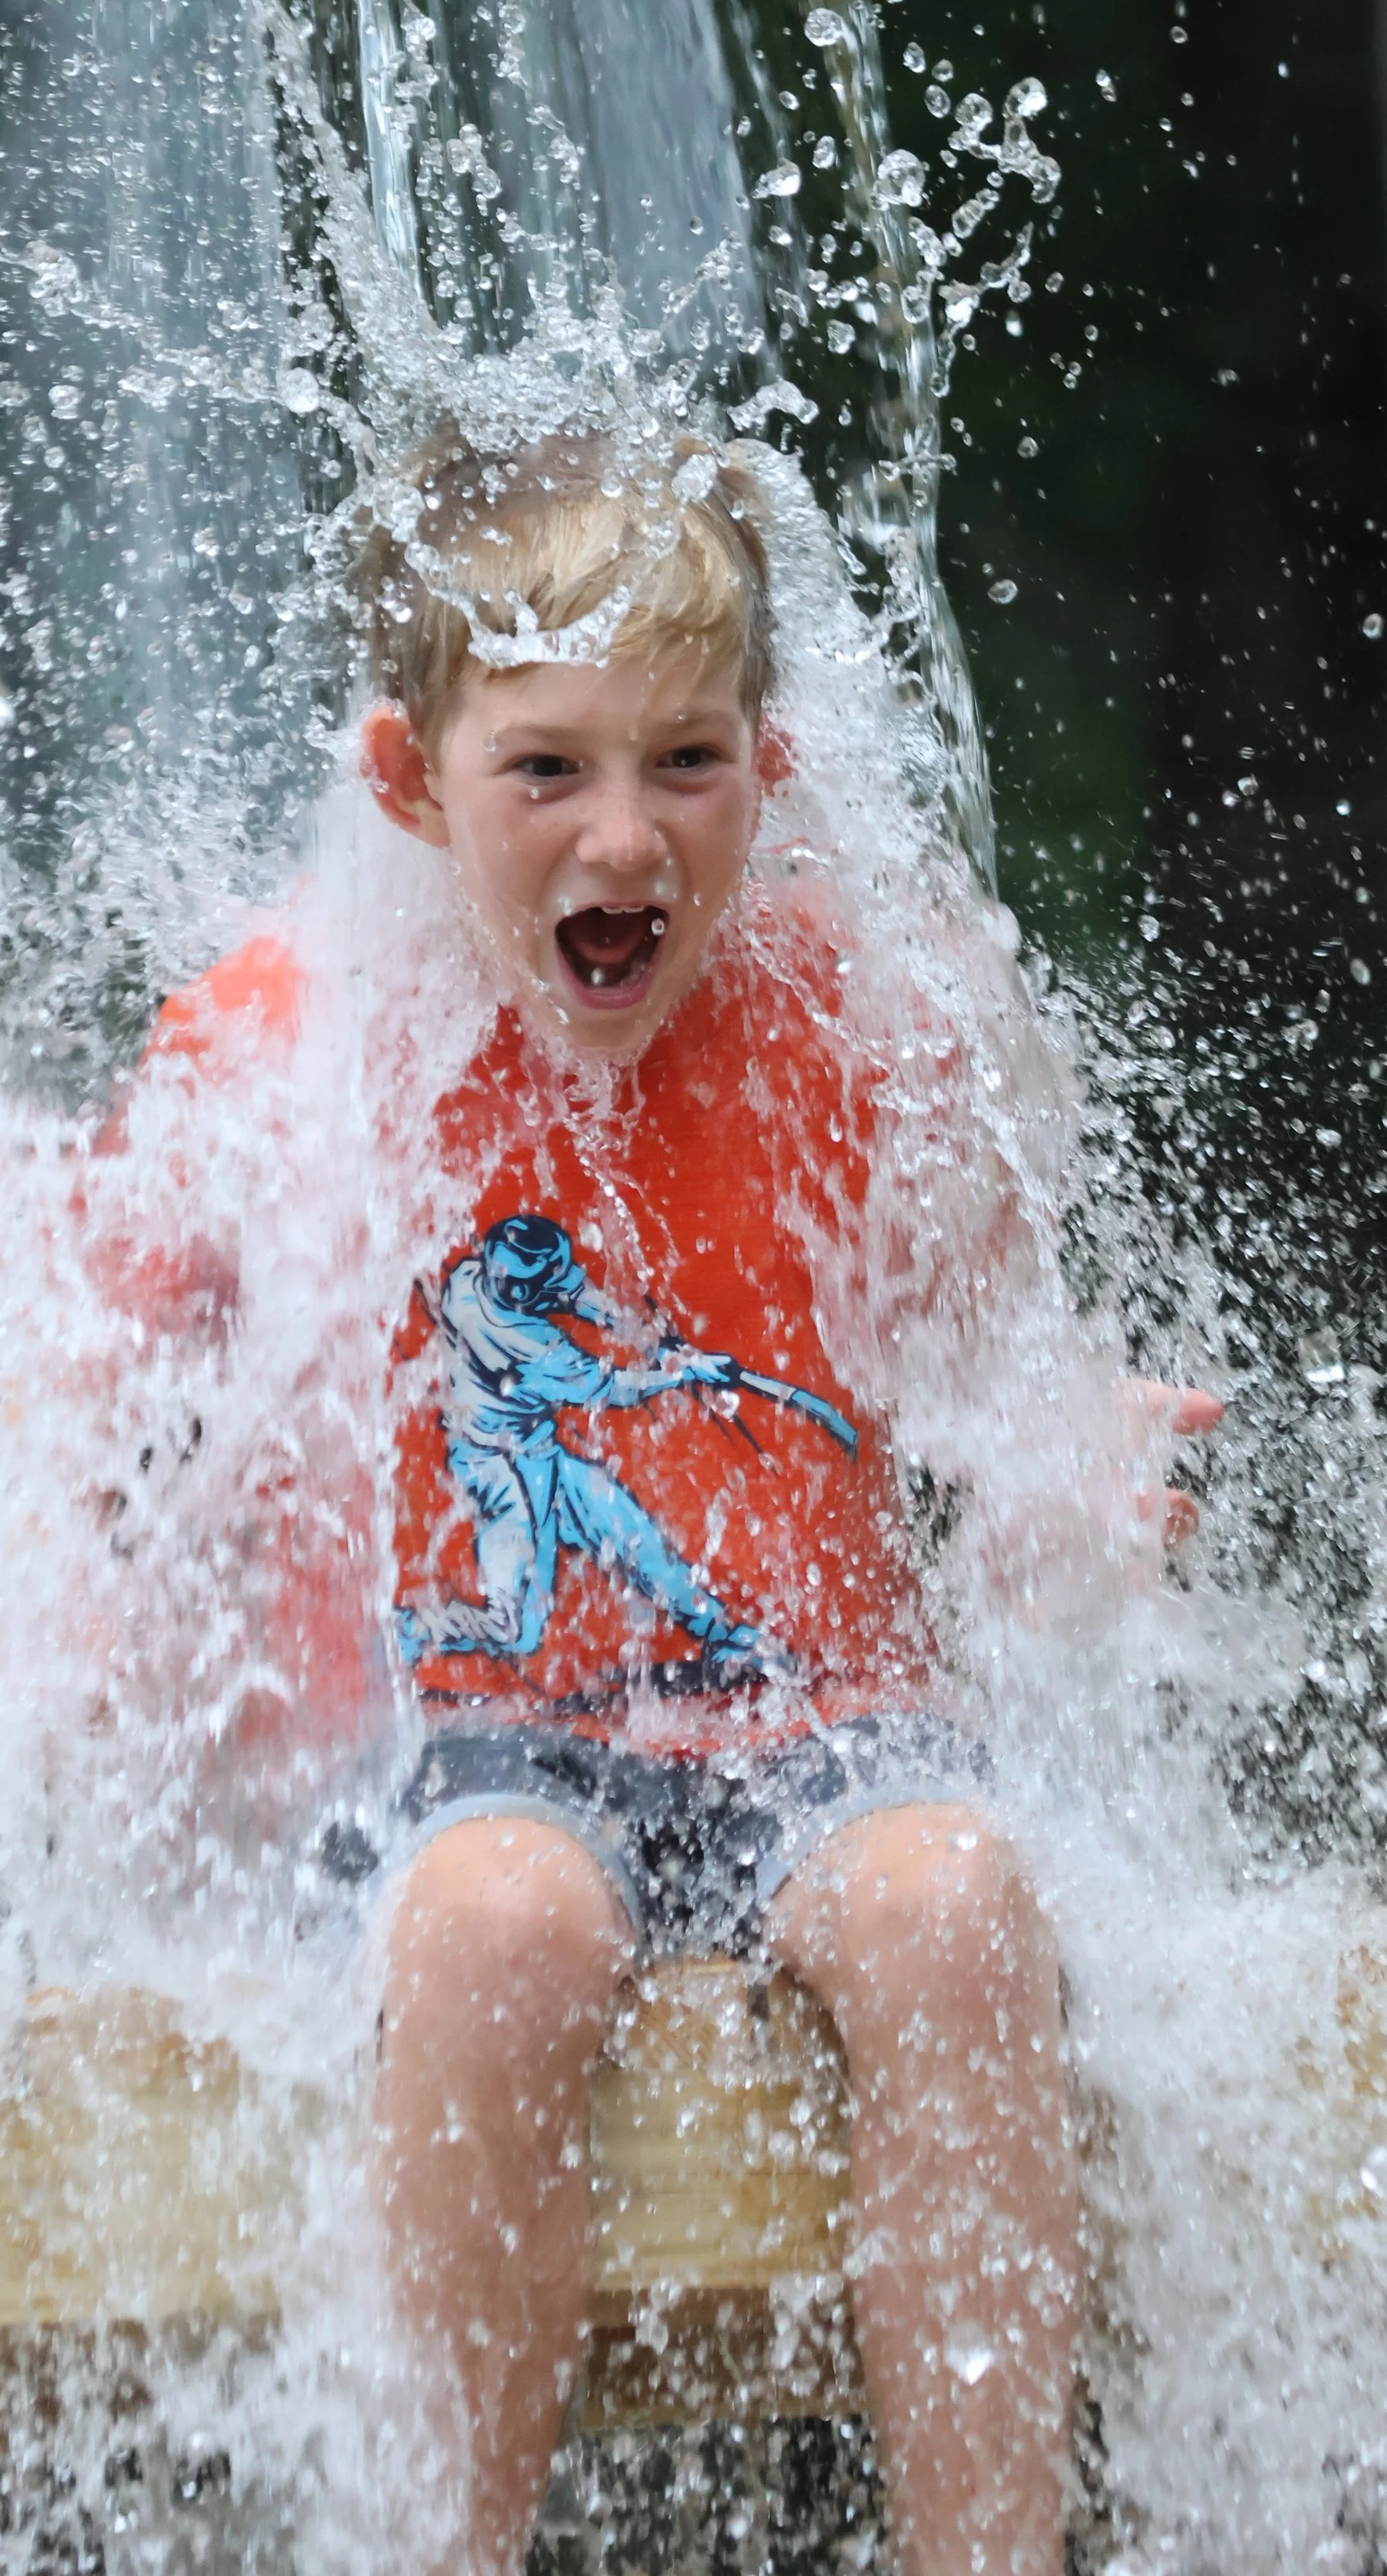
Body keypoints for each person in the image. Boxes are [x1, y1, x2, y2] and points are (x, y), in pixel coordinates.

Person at [101, 426, 1218, 2576]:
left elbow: (998, 1386)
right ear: (409, 781)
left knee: (955, 1900)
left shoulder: (864, 1027)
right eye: (547, 771)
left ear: (766, 769)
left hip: (829, 1723)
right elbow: (119, 1375)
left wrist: (1080, 1482)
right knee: (495, 1923)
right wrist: (76, 1607)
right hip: (476, 1748)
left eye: (684, 760)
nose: (625, 832)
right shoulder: (298, 1037)